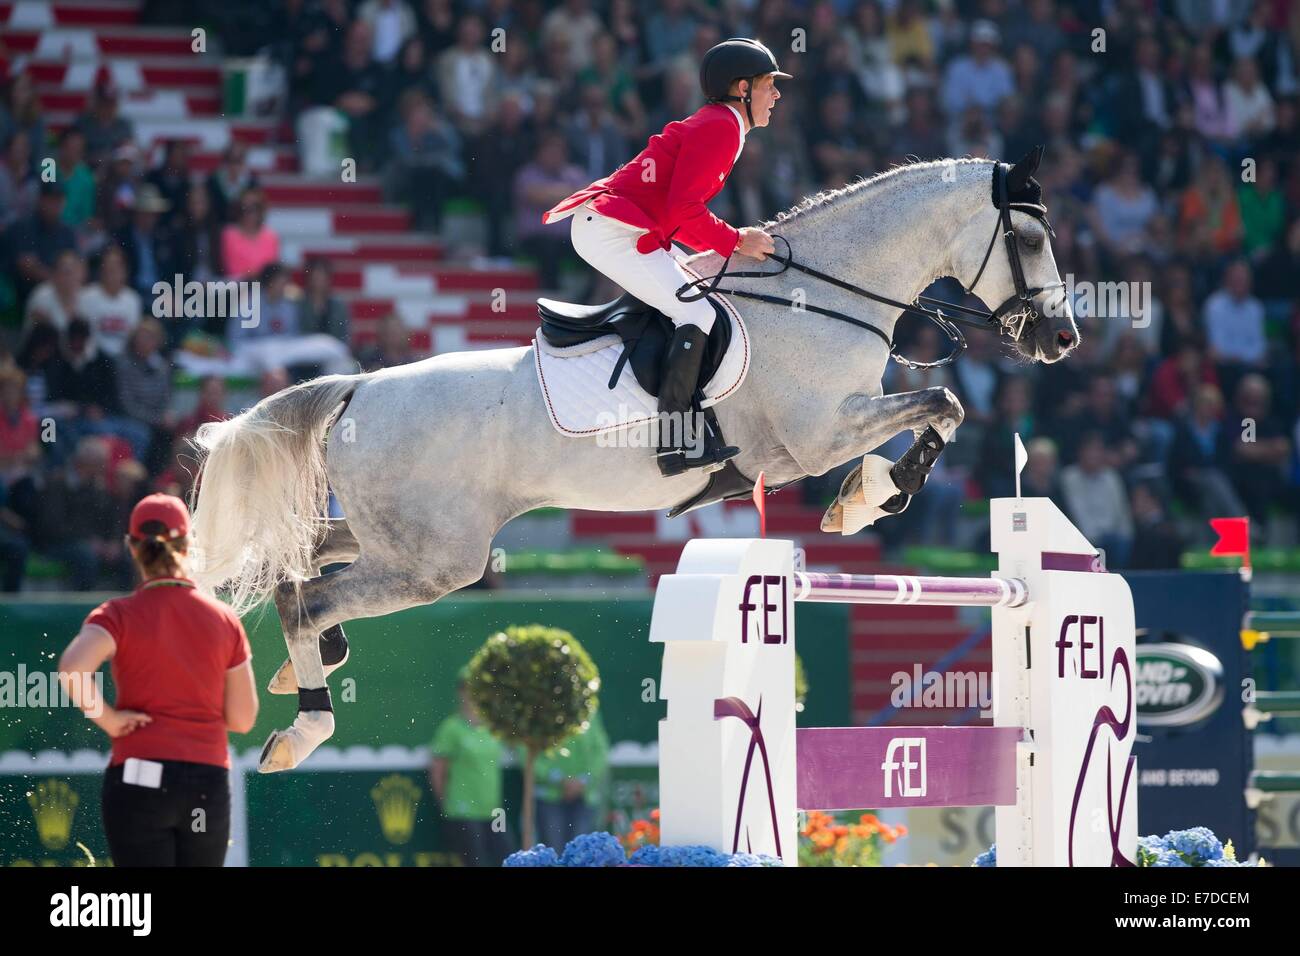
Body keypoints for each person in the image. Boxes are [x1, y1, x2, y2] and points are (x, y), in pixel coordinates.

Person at [541, 38, 789, 476]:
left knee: (696, 293)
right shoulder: (723, 127)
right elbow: (684, 210)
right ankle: (677, 443)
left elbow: (679, 213)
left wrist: (724, 245)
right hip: (615, 229)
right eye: (770, 84)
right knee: (699, 313)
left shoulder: (723, 123)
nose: (777, 94)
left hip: (626, 225)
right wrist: (734, 241)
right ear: (743, 88)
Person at [57, 494, 257, 866]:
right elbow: (243, 719)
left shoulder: (117, 615)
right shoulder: (224, 620)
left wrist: (109, 719)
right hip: (205, 784)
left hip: (138, 777)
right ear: (188, 545)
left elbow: (72, 669)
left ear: (132, 548)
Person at [429, 678, 510, 867]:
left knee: (507, 859)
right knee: (475, 863)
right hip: (463, 811)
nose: (473, 695)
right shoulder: (451, 728)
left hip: (493, 810)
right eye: (468, 689)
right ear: (461, 693)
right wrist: (446, 803)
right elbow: (438, 772)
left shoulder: (492, 729)